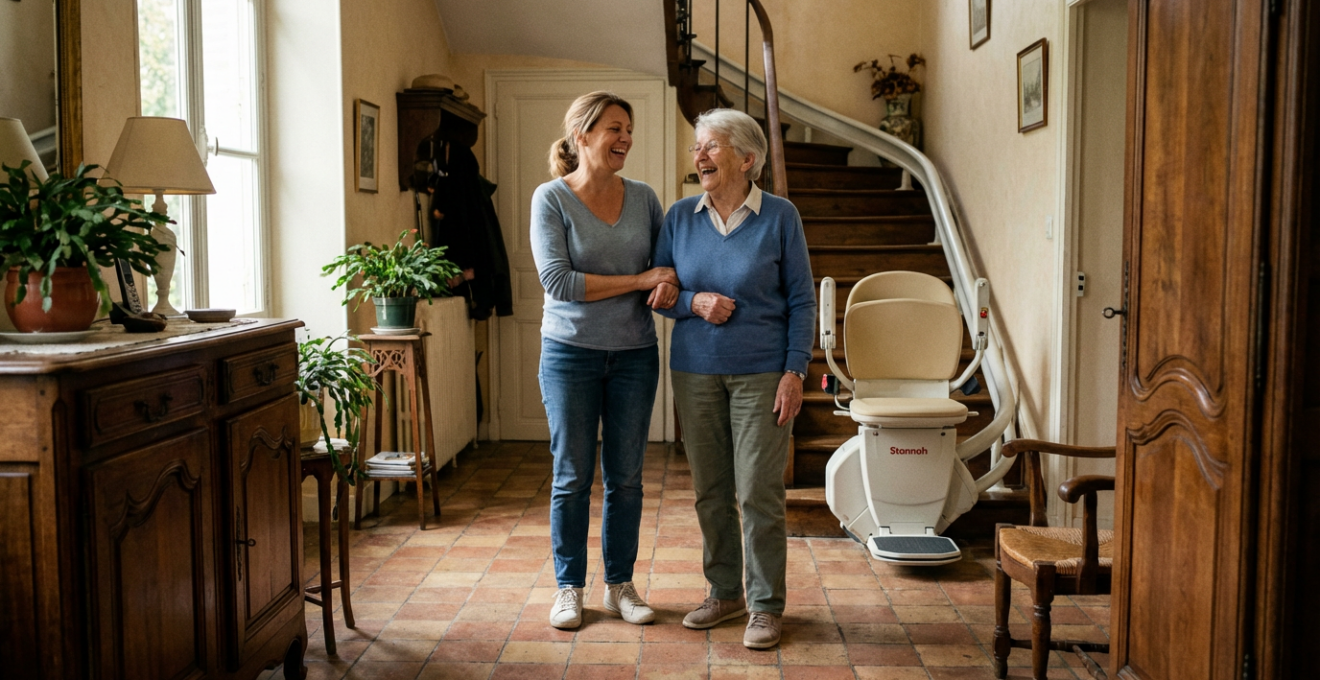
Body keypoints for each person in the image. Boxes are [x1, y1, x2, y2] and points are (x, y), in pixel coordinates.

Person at [652, 108, 816, 649]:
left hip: (763, 374)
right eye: (698, 146)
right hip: (694, 373)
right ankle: (724, 592)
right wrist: (692, 303)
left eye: (713, 146)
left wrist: (795, 371)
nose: (699, 155)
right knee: (711, 491)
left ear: (747, 159)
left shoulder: (780, 217)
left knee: (759, 491)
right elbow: (658, 291)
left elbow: (800, 300)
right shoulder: (679, 217)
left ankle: (766, 605)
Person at [530, 91, 679, 630]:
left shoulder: (643, 198)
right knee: (572, 476)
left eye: (629, 129)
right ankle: (569, 588)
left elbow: (668, 267)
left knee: (627, 478)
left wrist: (667, 287)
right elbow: (559, 282)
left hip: (636, 355)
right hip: (569, 355)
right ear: (583, 135)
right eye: (615, 128)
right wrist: (641, 281)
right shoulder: (551, 199)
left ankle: (620, 585)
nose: (626, 139)